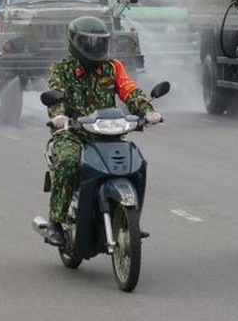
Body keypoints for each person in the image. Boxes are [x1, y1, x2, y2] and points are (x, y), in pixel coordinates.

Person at [43, 16, 163, 246]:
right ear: (74, 42)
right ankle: (55, 223)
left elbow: (130, 91)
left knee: (138, 164)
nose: (93, 47)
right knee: (68, 160)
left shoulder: (112, 67)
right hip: (73, 133)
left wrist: (147, 112)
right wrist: (58, 116)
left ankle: (131, 219)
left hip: (108, 132)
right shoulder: (62, 69)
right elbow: (55, 95)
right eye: (87, 42)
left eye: (98, 42)